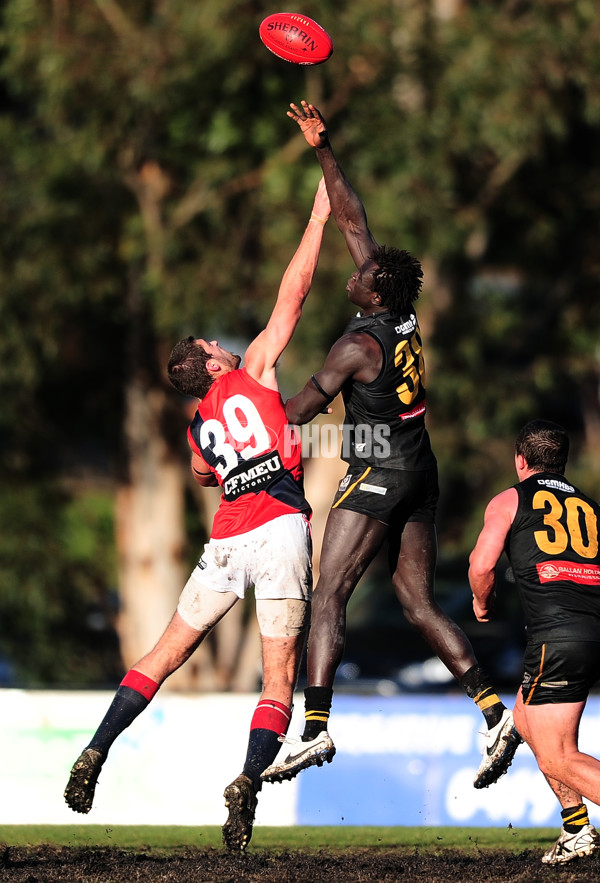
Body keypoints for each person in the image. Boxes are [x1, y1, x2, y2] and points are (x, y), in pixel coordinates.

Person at [63, 178, 331, 852]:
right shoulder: (254, 373)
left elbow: (204, 473)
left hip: (227, 539)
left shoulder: (198, 424)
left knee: (163, 653)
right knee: (277, 677)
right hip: (278, 530)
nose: (227, 345)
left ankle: (97, 747)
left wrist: (232, 465)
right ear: (210, 359)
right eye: (216, 345)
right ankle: (245, 779)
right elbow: (292, 293)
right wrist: (321, 212)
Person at [261, 101, 520, 789]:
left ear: (375, 293)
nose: (355, 274)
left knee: (328, 595)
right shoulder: (397, 310)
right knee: (414, 598)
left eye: (360, 277)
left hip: (380, 467)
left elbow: (302, 407)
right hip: (419, 468)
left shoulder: (355, 343)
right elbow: (351, 217)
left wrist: (252, 409)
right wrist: (324, 149)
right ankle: (495, 712)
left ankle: (314, 730)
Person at [469, 419, 600, 866]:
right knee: (525, 721)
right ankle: (577, 829)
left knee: (560, 758)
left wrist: (482, 605)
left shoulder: (511, 498)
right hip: (589, 632)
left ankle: (578, 826)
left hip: (555, 637)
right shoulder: (590, 506)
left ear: (521, 461)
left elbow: (482, 565)